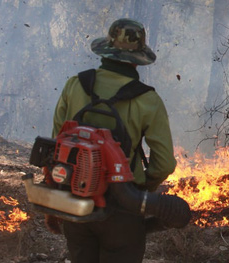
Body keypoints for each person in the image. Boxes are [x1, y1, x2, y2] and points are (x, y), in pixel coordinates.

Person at [51, 18, 177, 263]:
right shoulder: (148, 100)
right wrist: (142, 190)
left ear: (106, 50)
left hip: (75, 200)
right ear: (137, 59)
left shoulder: (75, 85)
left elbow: (58, 142)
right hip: (123, 210)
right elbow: (164, 165)